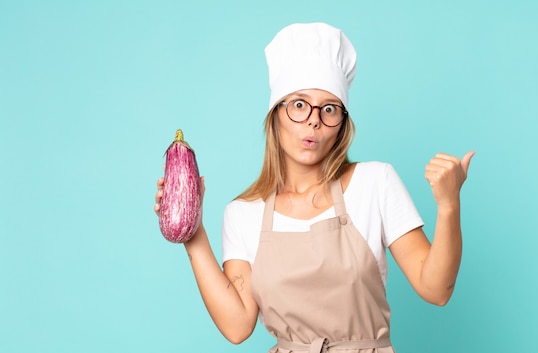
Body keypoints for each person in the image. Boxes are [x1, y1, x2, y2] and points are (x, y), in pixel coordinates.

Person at [154, 22, 474, 353]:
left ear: (342, 125)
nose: (314, 120)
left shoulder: (375, 183)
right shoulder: (243, 214)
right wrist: (192, 235)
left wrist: (449, 205)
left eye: (329, 109)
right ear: (275, 114)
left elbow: (436, 289)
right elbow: (237, 327)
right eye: (299, 104)